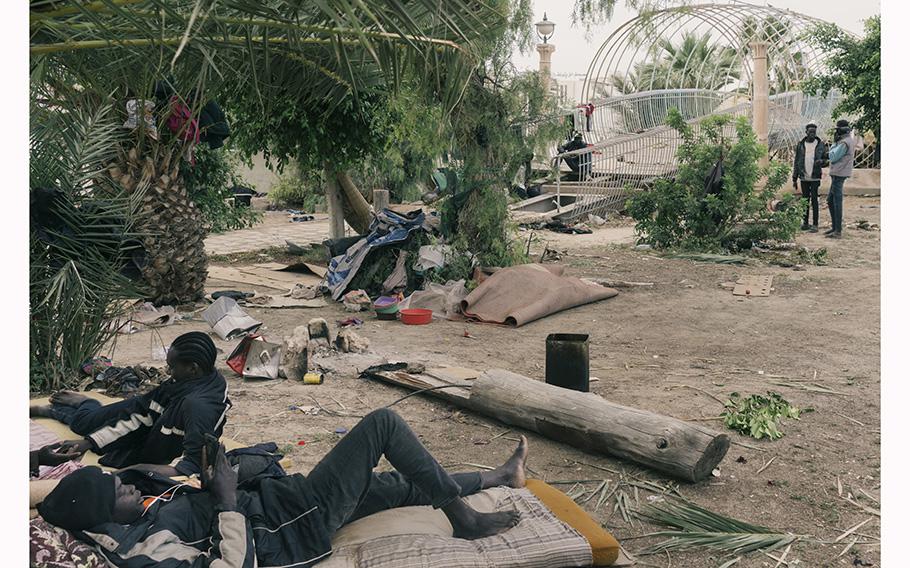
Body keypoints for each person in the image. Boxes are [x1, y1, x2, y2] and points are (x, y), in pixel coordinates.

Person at [38, 408, 530, 568]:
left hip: (284, 501)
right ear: (101, 516)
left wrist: (213, 478)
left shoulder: (139, 510)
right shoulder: (142, 549)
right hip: (296, 523)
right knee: (382, 424)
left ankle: (499, 478)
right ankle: (463, 520)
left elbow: (169, 487)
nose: (125, 486)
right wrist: (227, 500)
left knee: (394, 485)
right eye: (116, 491)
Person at [30, 331, 231, 477]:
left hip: (151, 432)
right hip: (145, 412)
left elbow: (190, 465)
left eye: (172, 367)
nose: (169, 373)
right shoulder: (193, 380)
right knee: (85, 424)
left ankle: (76, 406)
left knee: (84, 425)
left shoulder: (198, 407)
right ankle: (86, 403)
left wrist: (133, 472)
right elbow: (142, 415)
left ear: (193, 369)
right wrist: (90, 443)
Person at [825, 119, 865, 239]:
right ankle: (835, 227)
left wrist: (830, 149)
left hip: (839, 173)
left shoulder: (844, 143)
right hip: (838, 173)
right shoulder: (845, 141)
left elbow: (833, 156)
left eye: (837, 130)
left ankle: (838, 231)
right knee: (830, 201)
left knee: (836, 202)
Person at [792, 123, 827, 233]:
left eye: (814, 132)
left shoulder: (821, 144)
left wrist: (821, 162)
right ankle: (805, 222)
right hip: (804, 177)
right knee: (805, 200)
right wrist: (794, 178)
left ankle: (815, 224)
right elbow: (797, 161)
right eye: (810, 132)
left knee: (815, 201)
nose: (812, 134)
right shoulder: (800, 145)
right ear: (806, 132)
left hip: (815, 177)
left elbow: (826, 160)